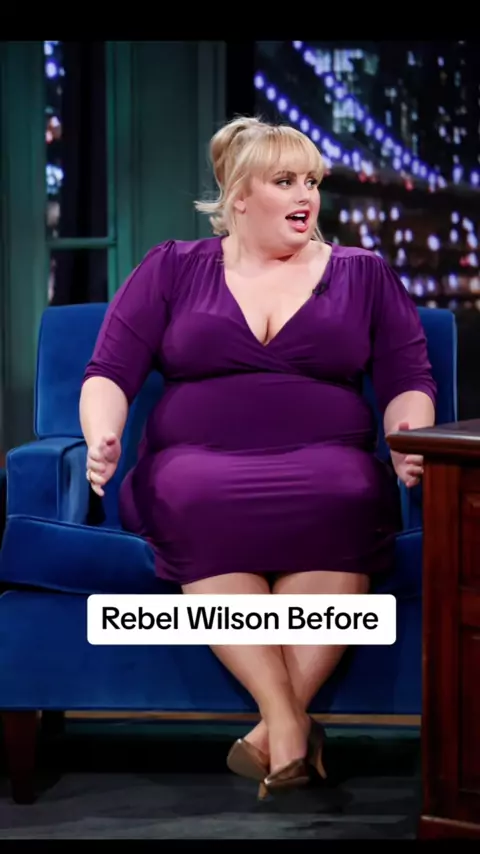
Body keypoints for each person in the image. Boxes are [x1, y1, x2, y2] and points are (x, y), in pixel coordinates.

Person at [79, 115, 436, 798]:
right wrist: (103, 436)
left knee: (348, 492)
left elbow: (408, 378)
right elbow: (108, 372)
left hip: (327, 465)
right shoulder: (173, 267)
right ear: (239, 196)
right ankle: (292, 726)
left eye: (312, 182)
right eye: (286, 181)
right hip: (195, 466)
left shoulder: (362, 273)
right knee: (193, 493)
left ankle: (275, 734)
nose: (306, 196)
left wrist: (406, 441)